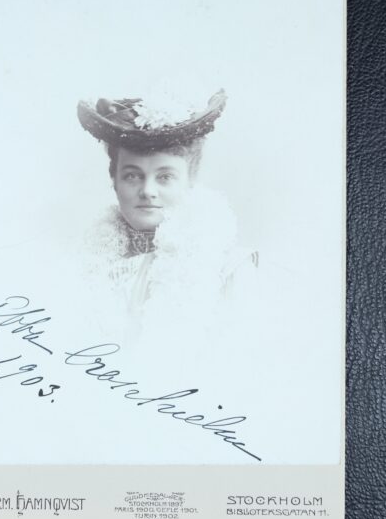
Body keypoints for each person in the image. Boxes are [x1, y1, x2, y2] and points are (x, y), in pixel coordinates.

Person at [76, 90, 259, 362]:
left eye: (165, 177)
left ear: (190, 180)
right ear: (114, 181)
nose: (148, 191)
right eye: (132, 176)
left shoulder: (228, 270)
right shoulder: (85, 267)